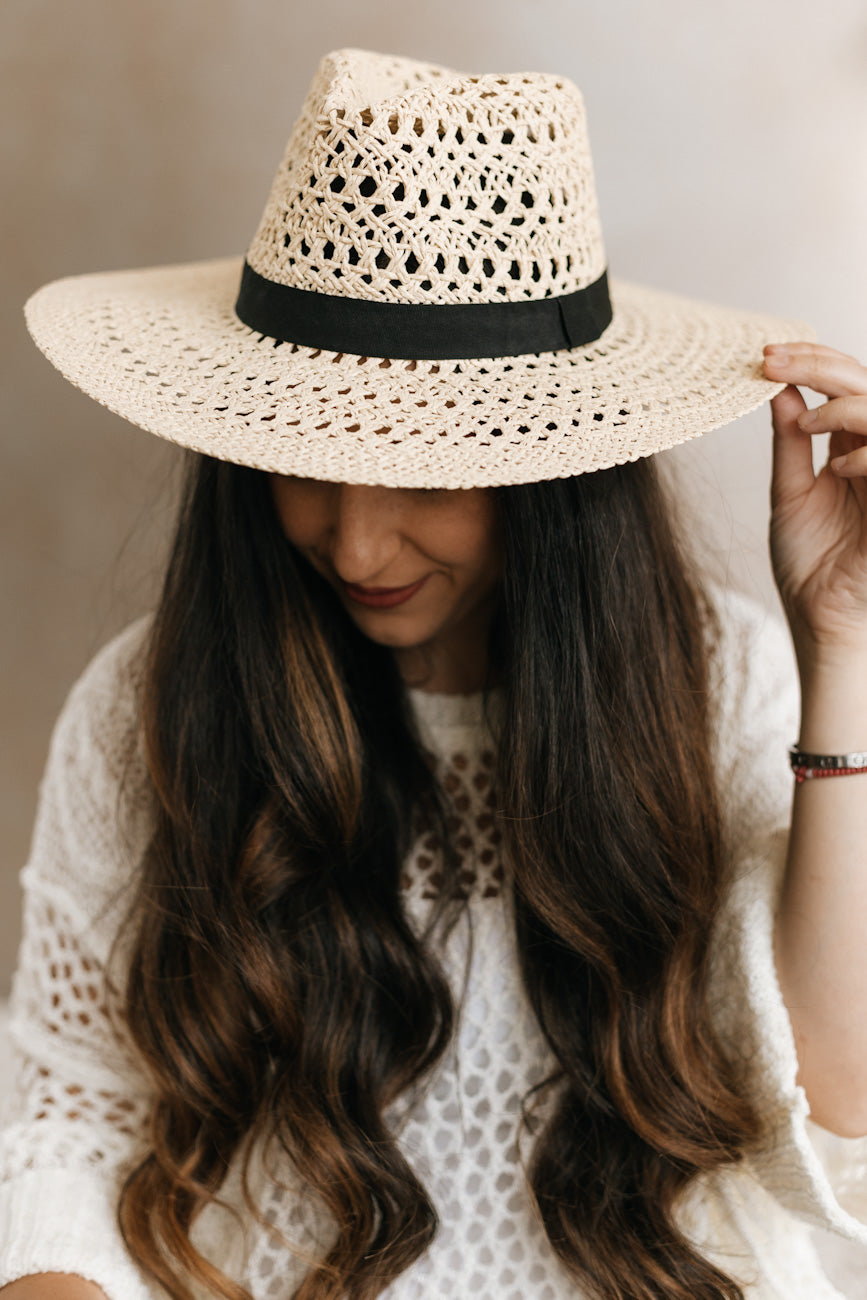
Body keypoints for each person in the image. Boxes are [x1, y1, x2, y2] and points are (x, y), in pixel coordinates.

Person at [2, 44, 867, 1300]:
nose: (355, 544)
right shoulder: (152, 707)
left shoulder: (723, 686)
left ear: (555, 471)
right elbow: (70, 1127)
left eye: (425, 471)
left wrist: (841, 653)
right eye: (305, 459)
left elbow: (835, 1110)